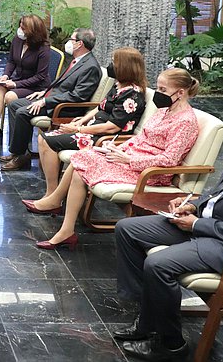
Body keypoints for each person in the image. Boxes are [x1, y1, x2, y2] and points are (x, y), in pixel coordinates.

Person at [113, 94, 223, 361]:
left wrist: (199, 224)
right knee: (128, 229)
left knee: (159, 265)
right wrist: (194, 205)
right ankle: (149, 316)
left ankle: (170, 344)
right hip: (206, 223)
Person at [29, 68, 199, 252]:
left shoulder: (185, 122)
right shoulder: (164, 110)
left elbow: (169, 160)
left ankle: (57, 208)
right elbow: (141, 137)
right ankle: (65, 227)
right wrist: (119, 148)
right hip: (131, 158)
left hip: (149, 173)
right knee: (83, 157)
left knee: (83, 160)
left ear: (180, 93)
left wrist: (128, 160)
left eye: (163, 90)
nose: (158, 94)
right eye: (158, 88)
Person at [29, 47, 148, 199]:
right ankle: (52, 190)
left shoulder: (132, 94)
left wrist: (79, 129)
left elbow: (112, 127)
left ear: (125, 66)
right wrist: (82, 120)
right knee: (44, 137)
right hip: (92, 129)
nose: (112, 66)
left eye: (114, 62)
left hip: (105, 139)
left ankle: (52, 194)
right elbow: (101, 106)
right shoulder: (119, 85)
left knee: (47, 140)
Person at [0, 28, 102, 171]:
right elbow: (61, 85)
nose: (68, 42)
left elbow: (78, 96)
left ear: (79, 44)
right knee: (14, 105)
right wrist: (43, 93)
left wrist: (46, 101)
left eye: (71, 40)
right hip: (52, 98)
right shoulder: (77, 61)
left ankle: (21, 156)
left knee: (22, 112)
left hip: (64, 108)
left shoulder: (90, 67)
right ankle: (18, 151)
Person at [0, 14, 52, 149]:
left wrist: (15, 84)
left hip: (36, 86)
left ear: (32, 31)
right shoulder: (17, 40)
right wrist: (5, 76)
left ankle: (17, 141)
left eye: (23, 28)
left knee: (10, 96)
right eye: (20, 26)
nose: (20, 30)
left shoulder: (43, 48)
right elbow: (11, 61)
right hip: (19, 79)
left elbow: (40, 76)